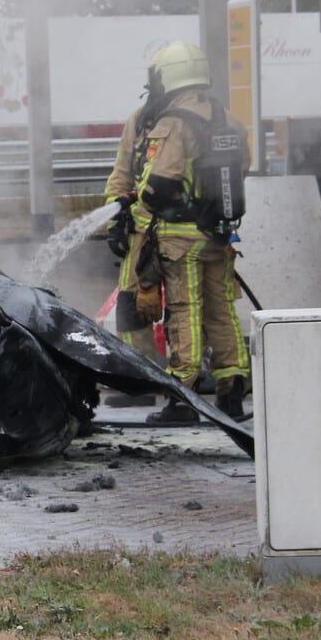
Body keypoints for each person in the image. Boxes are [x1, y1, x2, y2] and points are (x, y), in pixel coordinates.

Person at [129, 41, 251, 423]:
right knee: (221, 311)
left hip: (180, 238)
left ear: (166, 77)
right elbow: (242, 169)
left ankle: (183, 398)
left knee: (184, 312)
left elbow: (159, 183)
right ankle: (232, 393)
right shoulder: (227, 119)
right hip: (219, 235)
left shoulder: (172, 123)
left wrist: (139, 207)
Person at [101, 93, 165, 407]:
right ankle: (142, 379)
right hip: (142, 232)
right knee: (130, 303)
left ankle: (188, 380)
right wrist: (115, 216)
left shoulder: (200, 119)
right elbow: (121, 172)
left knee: (187, 310)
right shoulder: (140, 119)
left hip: (185, 231)